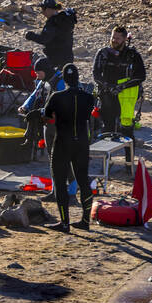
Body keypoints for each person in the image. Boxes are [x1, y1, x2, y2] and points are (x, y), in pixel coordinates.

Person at [43, 63, 96, 233]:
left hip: (62, 142)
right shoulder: (88, 98)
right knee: (83, 180)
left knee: (59, 181)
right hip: (81, 142)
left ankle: (65, 223)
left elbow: (46, 115)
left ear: (64, 79)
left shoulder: (56, 97)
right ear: (78, 77)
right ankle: (85, 221)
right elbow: (90, 115)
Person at [92, 25, 146, 137]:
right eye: (113, 37)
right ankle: (108, 154)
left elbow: (141, 76)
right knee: (107, 128)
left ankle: (129, 154)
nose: (114, 40)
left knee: (126, 129)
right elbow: (96, 74)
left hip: (126, 96)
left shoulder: (133, 55)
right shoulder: (103, 53)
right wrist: (108, 86)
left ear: (125, 39)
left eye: (117, 38)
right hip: (107, 95)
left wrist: (122, 86)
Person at [18, 57, 63, 152]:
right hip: (46, 111)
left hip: (59, 115)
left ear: (46, 71)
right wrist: (25, 106)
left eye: (38, 73)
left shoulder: (60, 81)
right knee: (29, 115)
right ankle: (31, 140)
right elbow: (34, 95)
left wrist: (40, 112)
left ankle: (44, 144)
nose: (37, 76)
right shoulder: (43, 80)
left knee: (36, 116)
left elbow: (60, 105)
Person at [26, 0, 76, 69]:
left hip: (55, 59)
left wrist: (30, 36)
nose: (42, 12)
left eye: (43, 9)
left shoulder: (53, 22)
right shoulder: (64, 19)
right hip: (68, 57)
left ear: (49, 9)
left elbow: (44, 39)